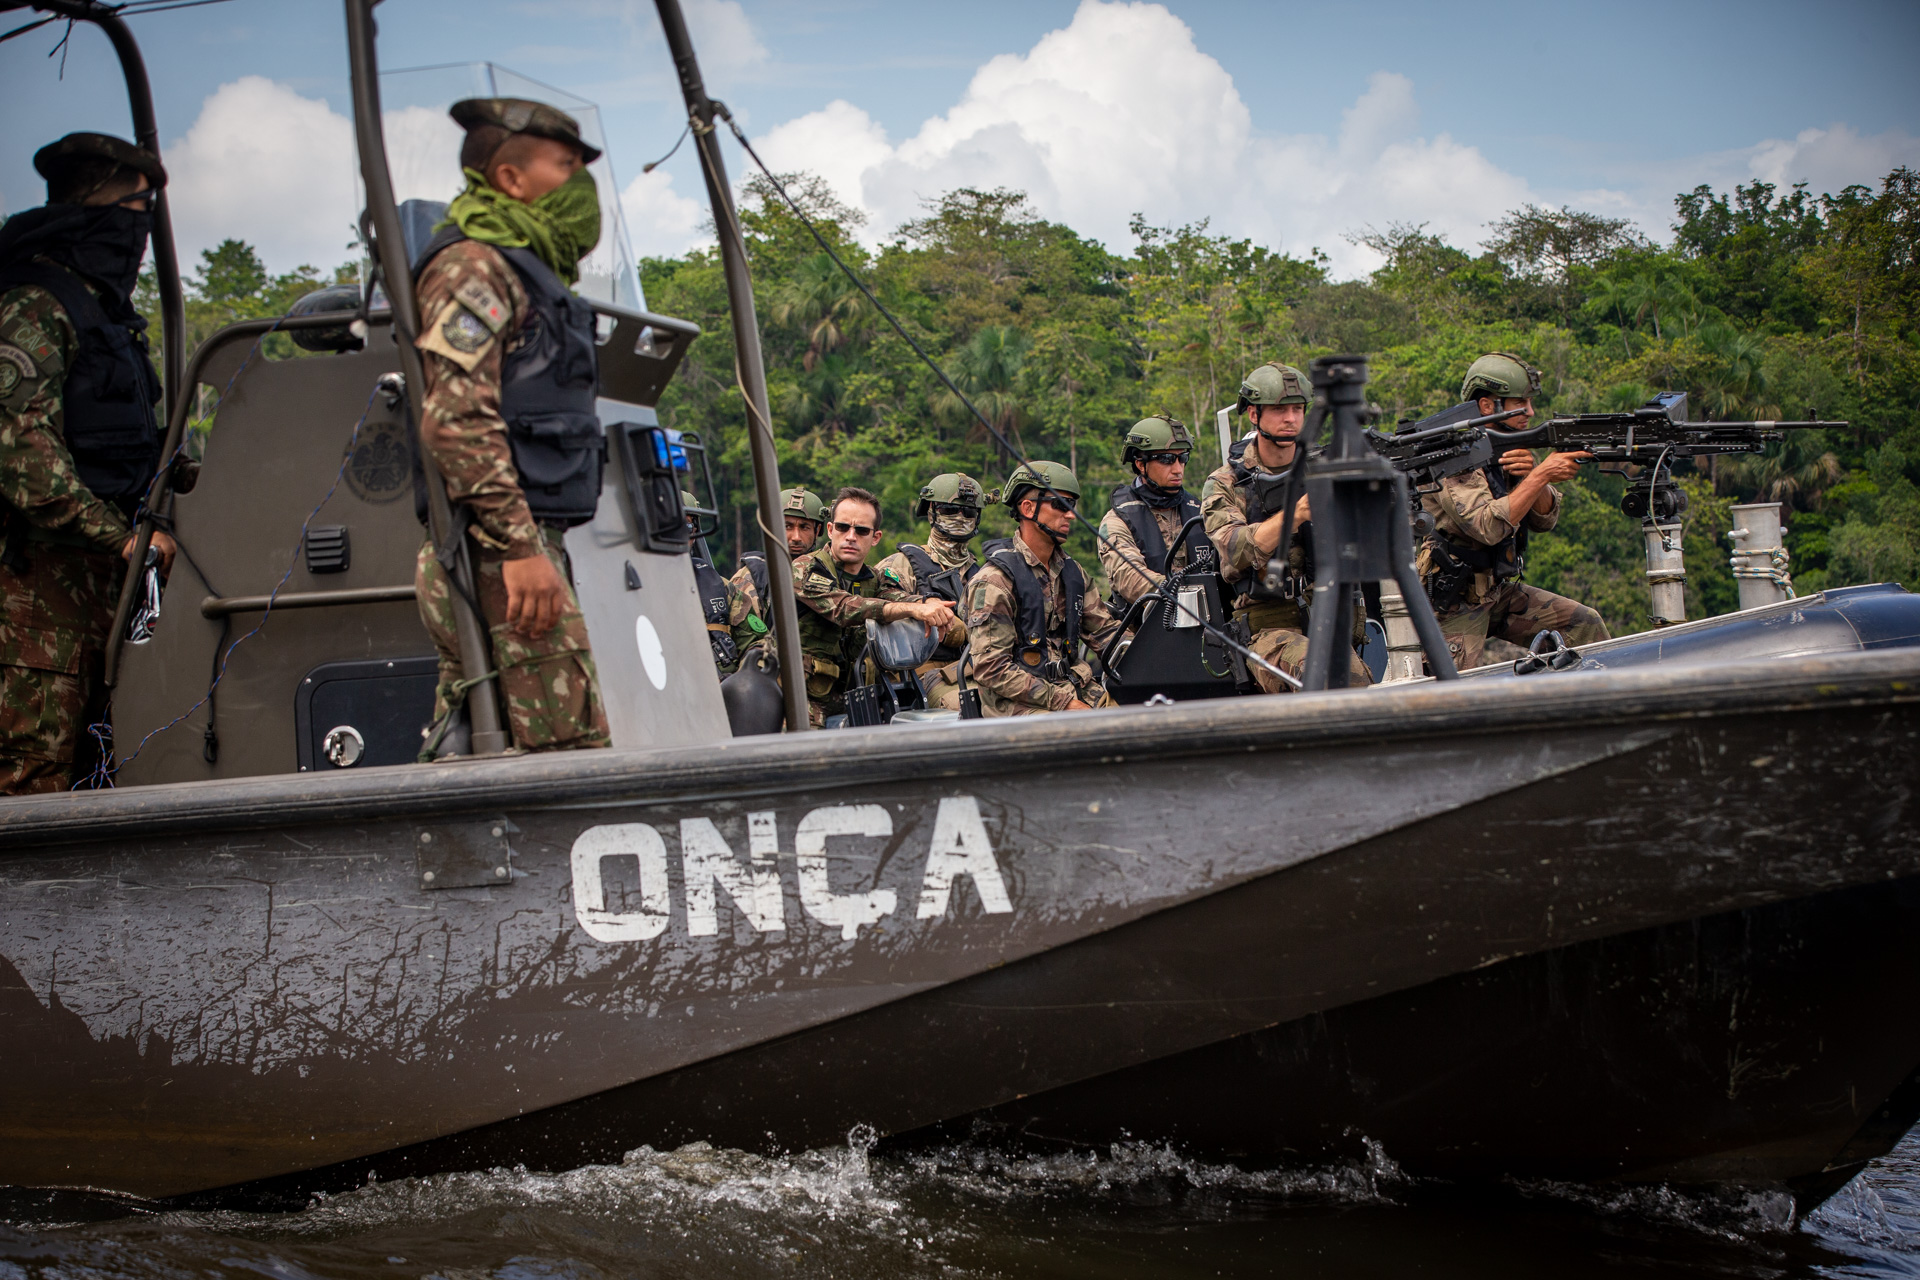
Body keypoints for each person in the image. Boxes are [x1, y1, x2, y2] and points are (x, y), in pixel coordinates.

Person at [410, 98, 611, 753]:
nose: (580, 183)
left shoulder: (527, 271)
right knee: (561, 758)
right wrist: (519, 547)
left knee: (512, 748)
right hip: (496, 550)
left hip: (520, 544)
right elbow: (456, 419)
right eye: (565, 165)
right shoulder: (474, 267)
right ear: (510, 179)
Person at [0, 133, 176, 794]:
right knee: (31, 786)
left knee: (102, 773)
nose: (140, 229)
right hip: (36, 594)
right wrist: (122, 536)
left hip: (105, 584)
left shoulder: (104, 317)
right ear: (86, 208)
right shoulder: (34, 308)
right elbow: (20, 457)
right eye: (131, 208)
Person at [1417, 352, 1609, 668]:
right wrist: (1541, 474)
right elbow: (1486, 527)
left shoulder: (1501, 443)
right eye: (1520, 403)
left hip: (1496, 592)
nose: (1530, 412)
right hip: (1452, 601)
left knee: (1584, 624)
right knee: (1458, 693)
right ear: (1487, 406)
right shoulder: (1452, 452)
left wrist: (1531, 478)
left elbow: (1544, 519)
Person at [1200, 361, 1370, 692]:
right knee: (1324, 673)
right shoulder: (1226, 483)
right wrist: (1297, 512)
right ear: (1253, 414)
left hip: (1330, 615)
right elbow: (1236, 550)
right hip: (1267, 628)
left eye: (1297, 409)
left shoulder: (1325, 468)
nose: (1291, 419)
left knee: (1363, 683)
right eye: (1279, 410)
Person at [965, 461, 1122, 716]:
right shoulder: (995, 582)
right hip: (1019, 704)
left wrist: (1149, 657)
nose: (1070, 514)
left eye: (1072, 505)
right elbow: (992, 668)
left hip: (1076, 687)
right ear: (1028, 508)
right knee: (1077, 737)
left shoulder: (1073, 574)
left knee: (1144, 715)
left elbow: (1106, 635)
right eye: (1060, 504)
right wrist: (1063, 702)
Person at [788, 486, 954, 727]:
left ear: (875, 537)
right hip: (805, 698)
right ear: (830, 530)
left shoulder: (874, 579)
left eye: (862, 530)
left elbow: (894, 596)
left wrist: (927, 603)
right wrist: (913, 609)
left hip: (856, 697)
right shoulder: (805, 569)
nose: (851, 536)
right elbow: (845, 608)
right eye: (843, 527)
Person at [876, 472, 983, 708]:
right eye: (948, 510)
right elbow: (877, 612)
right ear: (932, 511)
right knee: (973, 704)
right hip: (919, 678)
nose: (959, 517)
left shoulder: (985, 575)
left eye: (968, 512)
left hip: (979, 670)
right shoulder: (900, 566)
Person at [1099, 415, 1209, 608]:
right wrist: (1179, 592)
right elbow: (1128, 576)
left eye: (1182, 458)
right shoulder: (1117, 521)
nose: (1178, 469)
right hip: (1145, 627)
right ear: (1141, 464)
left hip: (1207, 623)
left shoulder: (1202, 512)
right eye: (1167, 459)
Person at [726, 486, 826, 671]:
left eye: (804, 527)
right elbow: (746, 643)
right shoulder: (753, 576)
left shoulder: (829, 573)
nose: (796, 537)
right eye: (787, 526)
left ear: (818, 529)